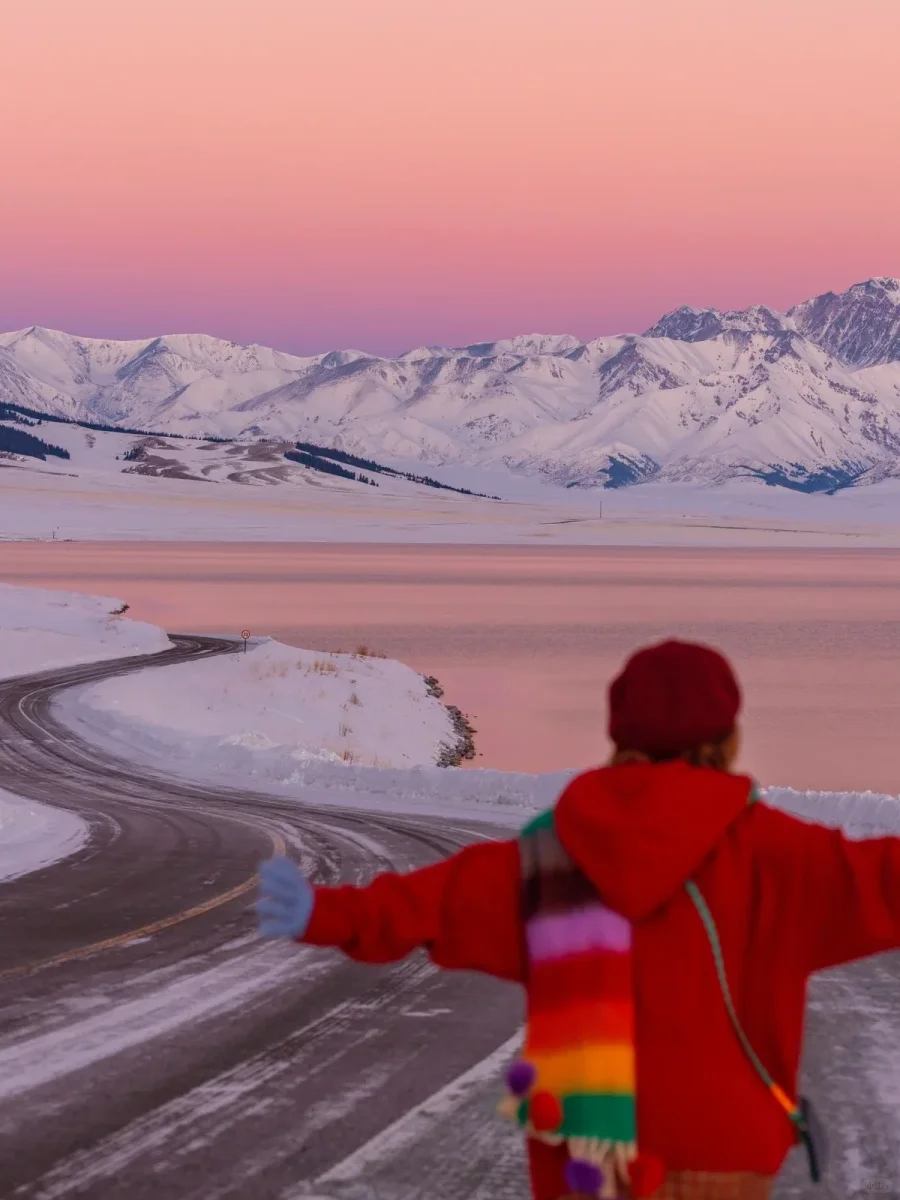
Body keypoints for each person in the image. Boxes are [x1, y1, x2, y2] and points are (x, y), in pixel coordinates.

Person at [257, 639, 900, 1200]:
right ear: (728, 738)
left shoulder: (551, 853)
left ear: (619, 735)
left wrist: (327, 911)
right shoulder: (779, 855)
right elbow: (884, 881)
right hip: (725, 1149)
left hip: (584, 1170)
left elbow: (438, 899)